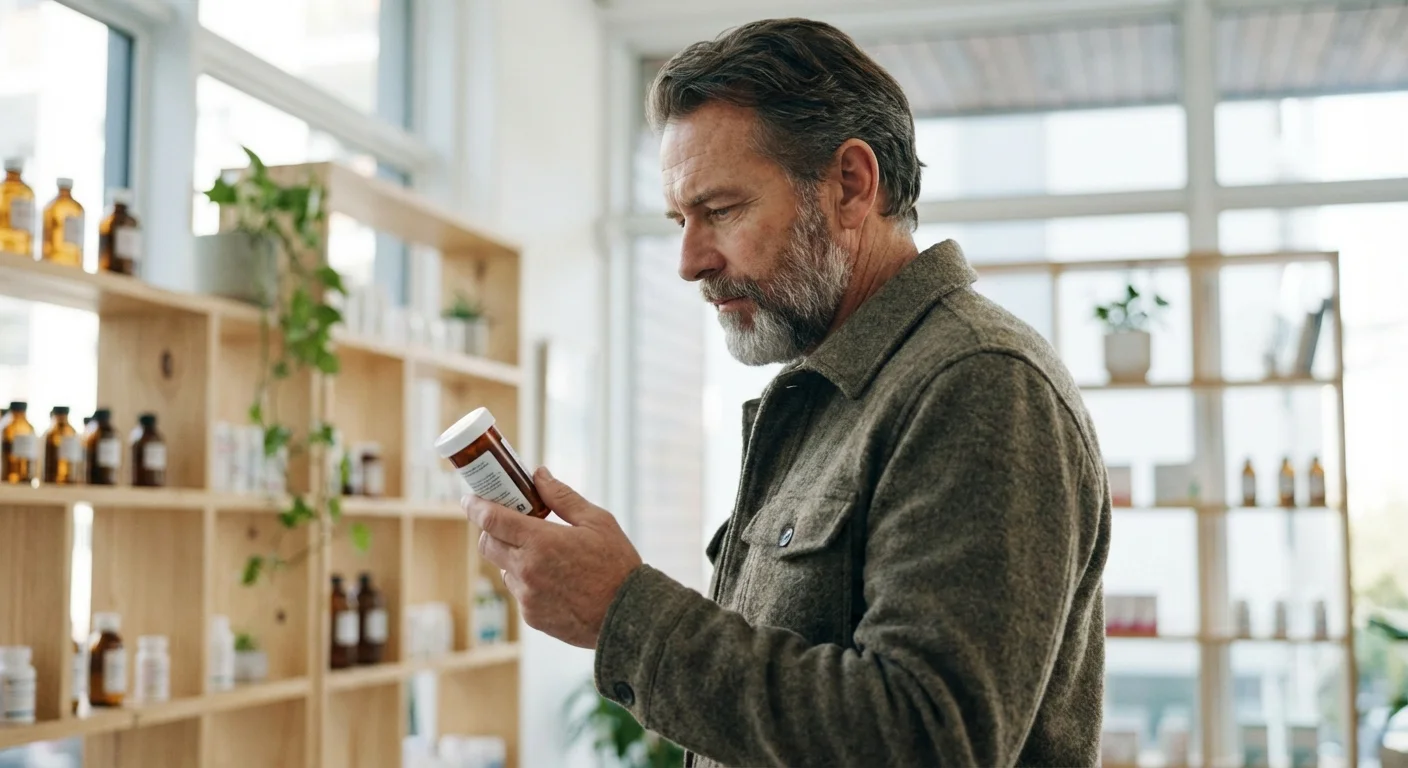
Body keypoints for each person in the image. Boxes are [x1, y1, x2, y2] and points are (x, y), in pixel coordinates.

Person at [464, 17, 1111, 768]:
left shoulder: (979, 383)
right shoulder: (830, 396)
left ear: (850, 185)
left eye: (722, 210)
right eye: (680, 219)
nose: (689, 261)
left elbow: (929, 741)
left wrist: (624, 612)